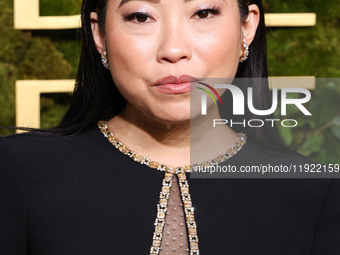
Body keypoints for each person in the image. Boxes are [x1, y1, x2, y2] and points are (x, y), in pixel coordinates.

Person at [1, 0, 339, 254]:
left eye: (203, 13)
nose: (174, 50)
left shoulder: (318, 192)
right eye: (141, 16)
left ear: (246, 27)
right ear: (100, 35)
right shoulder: (15, 172)